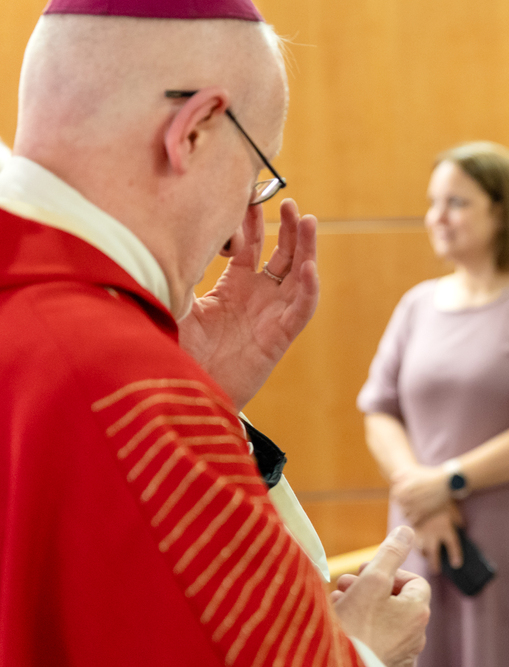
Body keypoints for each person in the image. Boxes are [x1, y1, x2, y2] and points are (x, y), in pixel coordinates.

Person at [0, 1, 429, 666]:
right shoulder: (126, 387)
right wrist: (362, 649)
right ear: (194, 130)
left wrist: (205, 398)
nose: (238, 231)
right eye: (256, 173)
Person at [358, 141, 509, 667]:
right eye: (433, 202)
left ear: (501, 210)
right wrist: (419, 492)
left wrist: (448, 482)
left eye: (456, 202)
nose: (437, 217)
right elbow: (379, 411)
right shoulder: (417, 306)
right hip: (427, 536)